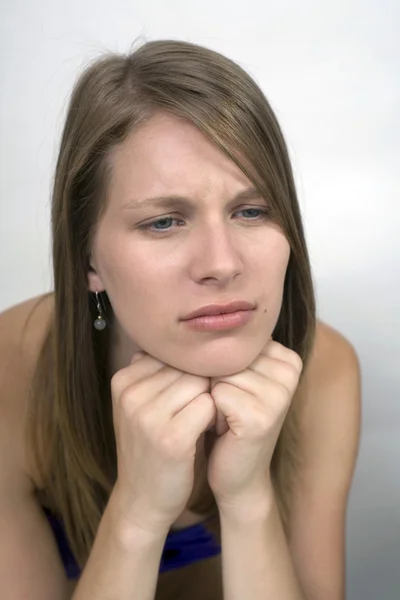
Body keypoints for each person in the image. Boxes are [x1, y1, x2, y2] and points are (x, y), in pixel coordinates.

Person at [0, 39, 361, 600]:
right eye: (164, 222)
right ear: (87, 258)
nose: (222, 263)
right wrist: (137, 512)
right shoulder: (10, 372)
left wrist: (248, 500)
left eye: (252, 210)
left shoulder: (324, 368)